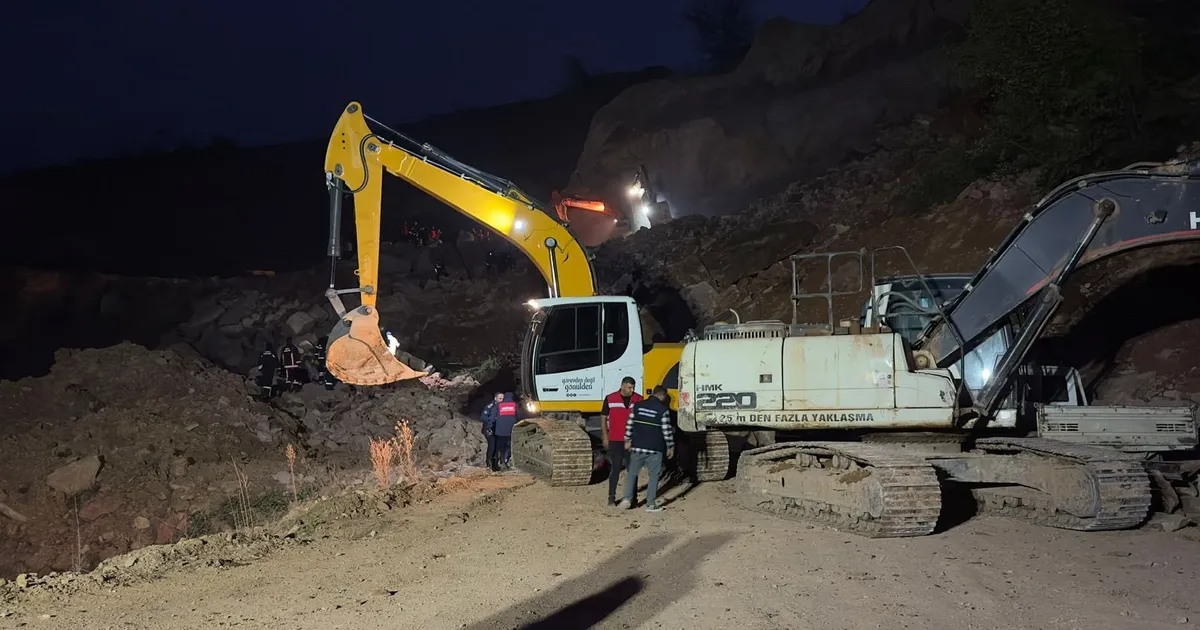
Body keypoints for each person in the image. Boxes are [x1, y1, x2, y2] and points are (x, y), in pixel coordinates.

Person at [619, 385, 674, 513]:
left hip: (637, 447)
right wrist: (670, 446)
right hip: (655, 449)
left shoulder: (637, 406)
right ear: (662, 396)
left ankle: (627, 499)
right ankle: (650, 505)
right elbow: (666, 431)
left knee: (632, 473)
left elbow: (629, 424)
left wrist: (627, 440)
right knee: (654, 476)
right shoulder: (663, 410)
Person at [601, 377, 642, 506]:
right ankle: (611, 498)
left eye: (633, 387)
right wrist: (605, 436)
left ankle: (633, 498)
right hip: (615, 440)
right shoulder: (610, 398)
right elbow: (603, 418)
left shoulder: (639, 399)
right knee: (615, 468)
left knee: (633, 470)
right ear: (623, 386)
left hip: (632, 441)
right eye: (629, 387)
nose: (632, 390)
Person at [494, 392, 519, 470]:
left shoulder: (499, 405)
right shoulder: (515, 405)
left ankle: (501, 461)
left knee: (501, 446)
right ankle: (506, 459)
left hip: (500, 431)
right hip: (511, 430)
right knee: (510, 445)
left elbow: (492, 417)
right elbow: (520, 415)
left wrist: (490, 427)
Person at [481, 392, 503, 472]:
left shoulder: (502, 407)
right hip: (489, 429)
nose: (501, 400)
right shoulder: (490, 406)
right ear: (495, 398)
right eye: (500, 398)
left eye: (502, 398)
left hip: (497, 430)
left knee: (497, 447)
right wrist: (492, 420)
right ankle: (489, 464)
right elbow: (483, 416)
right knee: (492, 445)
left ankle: (495, 464)